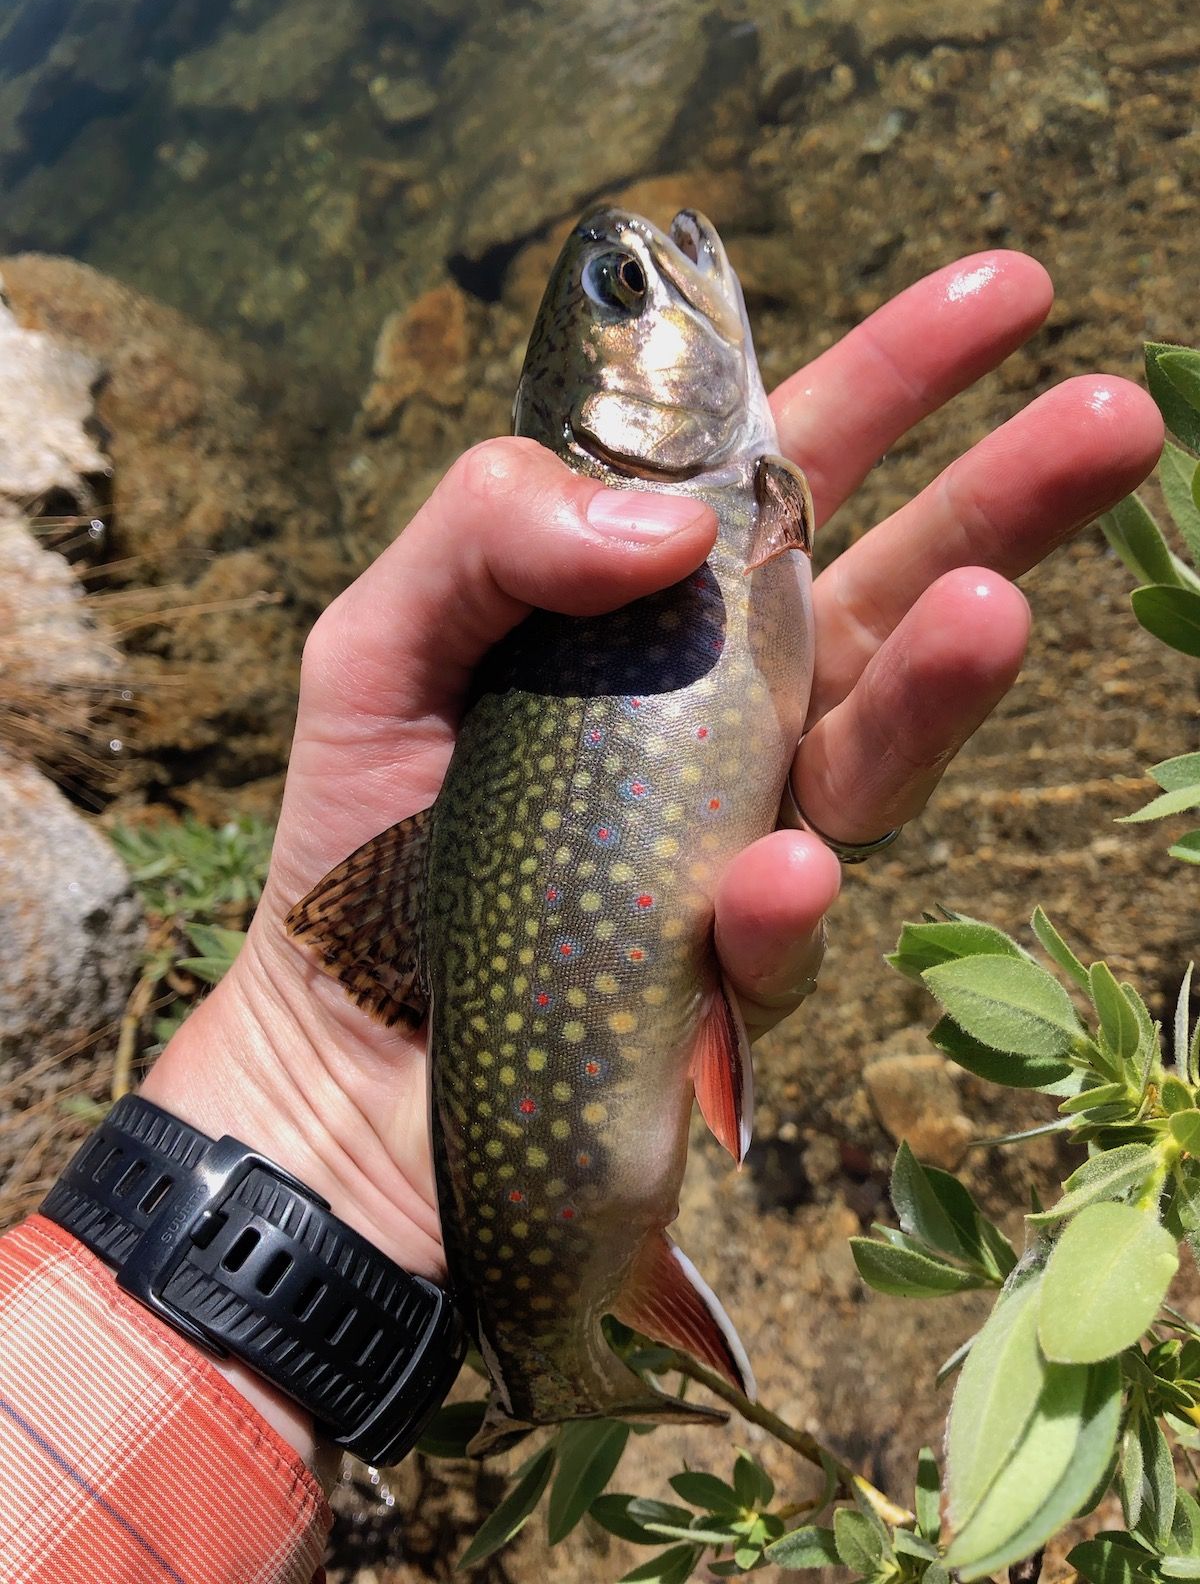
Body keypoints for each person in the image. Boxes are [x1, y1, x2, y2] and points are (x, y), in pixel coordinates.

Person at [0, 251, 1162, 1583]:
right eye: (625, 290)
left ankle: (549, 1352)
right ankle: (554, 1357)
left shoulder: (720, 495)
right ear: (592, 423)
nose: (660, 265)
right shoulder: (666, 515)